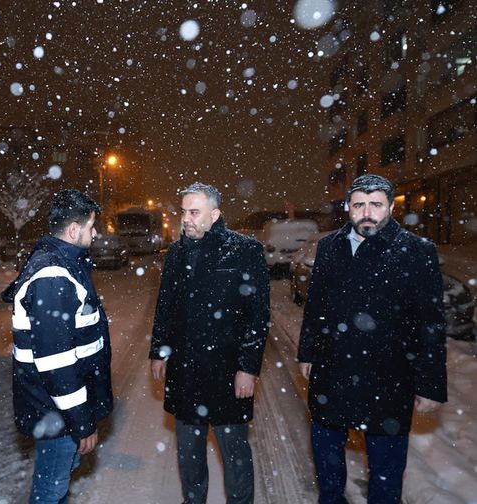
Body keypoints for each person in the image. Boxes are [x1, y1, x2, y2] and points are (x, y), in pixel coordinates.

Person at [297, 174, 447, 504]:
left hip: (390, 377)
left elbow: (430, 323)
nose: (367, 212)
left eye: (376, 205)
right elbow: (317, 305)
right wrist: (307, 352)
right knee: (328, 468)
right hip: (333, 372)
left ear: (390, 207)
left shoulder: (416, 251)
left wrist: (430, 383)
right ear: (349, 207)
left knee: (386, 477)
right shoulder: (329, 247)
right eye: (359, 204)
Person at [149, 182, 269, 504]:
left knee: (235, 456)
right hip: (187, 372)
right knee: (189, 456)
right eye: (183, 211)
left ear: (214, 214)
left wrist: (248, 367)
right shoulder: (176, 254)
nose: (185, 219)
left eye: (193, 212)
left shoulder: (244, 251)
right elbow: (166, 306)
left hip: (228, 372)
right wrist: (159, 351)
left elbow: (258, 316)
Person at [2, 189, 113, 504]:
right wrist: (81, 422)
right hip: (56, 412)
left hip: (57, 410)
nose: (96, 232)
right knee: (50, 491)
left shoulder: (64, 263)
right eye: (92, 226)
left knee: (58, 483)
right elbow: (56, 362)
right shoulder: (54, 275)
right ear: (74, 230)